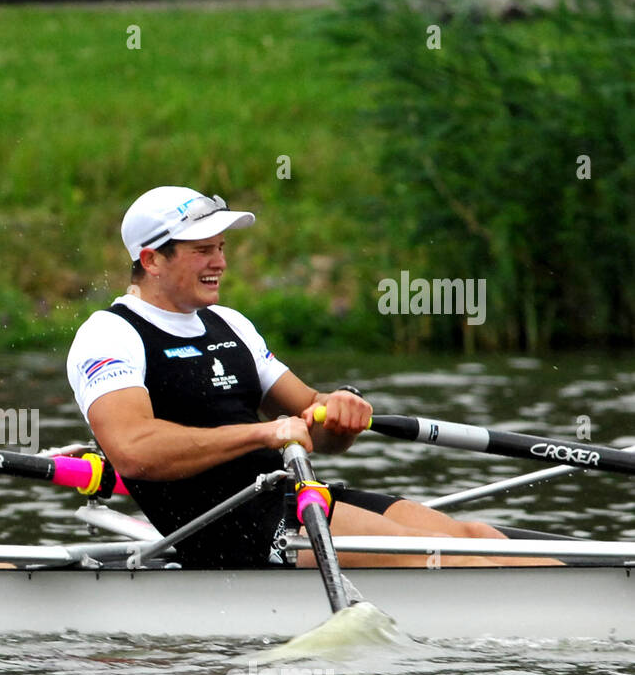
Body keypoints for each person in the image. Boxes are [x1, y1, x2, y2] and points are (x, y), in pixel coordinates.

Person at [66, 185, 536, 569]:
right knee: (448, 559)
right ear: (151, 260)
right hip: (229, 530)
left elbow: (314, 419)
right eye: (202, 250)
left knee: (478, 536)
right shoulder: (110, 335)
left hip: (296, 499)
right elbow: (133, 450)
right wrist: (263, 433)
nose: (220, 262)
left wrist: (341, 409)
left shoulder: (231, 324)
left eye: (222, 248)